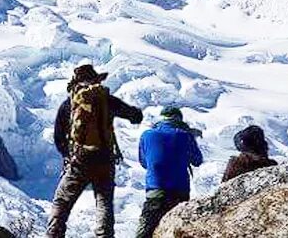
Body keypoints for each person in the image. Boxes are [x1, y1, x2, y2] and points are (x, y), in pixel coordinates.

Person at [46, 64, 143, 238]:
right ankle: (104, 235)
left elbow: (59, 138)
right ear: (95, 80)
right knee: (104, 201)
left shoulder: (68, 104)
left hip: (79, 160)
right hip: (105, 158)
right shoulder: (106, 100)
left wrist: (69, 156)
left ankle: (53, 234)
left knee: (62, 201)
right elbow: (136, 117)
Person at [135, 106, 204, 238]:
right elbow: (197, 160)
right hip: (180, 191)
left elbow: (144, 163)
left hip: (155, 190)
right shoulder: (185, 135)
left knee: (145, 231)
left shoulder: (147, 135)